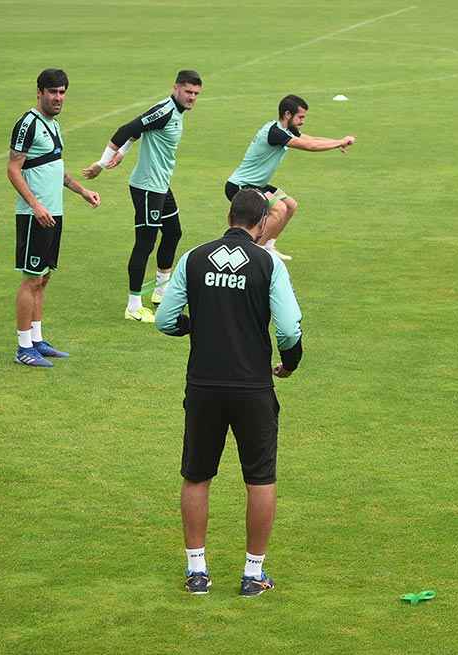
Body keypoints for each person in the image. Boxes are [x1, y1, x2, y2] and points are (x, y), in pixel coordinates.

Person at [155, 189, 303, 597]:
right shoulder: (268, 262)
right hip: (253, 385)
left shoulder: (195, 257)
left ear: (230, 215)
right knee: (259, 478)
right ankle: (253, 574)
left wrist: (193, 328)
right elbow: (289, 329)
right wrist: (289, 364)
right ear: (260, 223)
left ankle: (197, 571)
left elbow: (166, 319)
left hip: (203, 384)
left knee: (197, 475)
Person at [83, 70, 203, 323]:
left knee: (173, 232)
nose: (192, 97)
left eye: (195, 94)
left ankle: (161, 291)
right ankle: (133, 305)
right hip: (147, 188)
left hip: (161, 185)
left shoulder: (173, 112)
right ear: (176, 88)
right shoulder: (165, 111)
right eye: (188, 92)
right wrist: (102, 164)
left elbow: (139, 130)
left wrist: (124, 152)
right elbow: (127, 128)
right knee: (145, 243)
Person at [8, 69, 100, 367]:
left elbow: (54, 167)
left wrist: (81, 190)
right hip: (36, 214)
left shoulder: (54, 124)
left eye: (62, 92)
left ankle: (36, 338)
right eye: (53, 92)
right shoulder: (28, 123)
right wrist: (35, 205)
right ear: (39, 92)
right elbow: (13, 169)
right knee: (31, 278)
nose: (58, 97)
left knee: (44, 278)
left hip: (54, 212)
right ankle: (23, 347)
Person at [225, 94, 355, 261]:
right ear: (287, 114)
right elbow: (310, 146)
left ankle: (268, 246)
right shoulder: (275, 133)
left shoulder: (286, 129)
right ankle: (254, 253)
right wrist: (339, 142)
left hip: (257, 184)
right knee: (279, 209)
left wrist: (338, 141)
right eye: (300, 117)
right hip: (240, 186)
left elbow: (312, 139)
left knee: (290, 205)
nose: (302, 121)